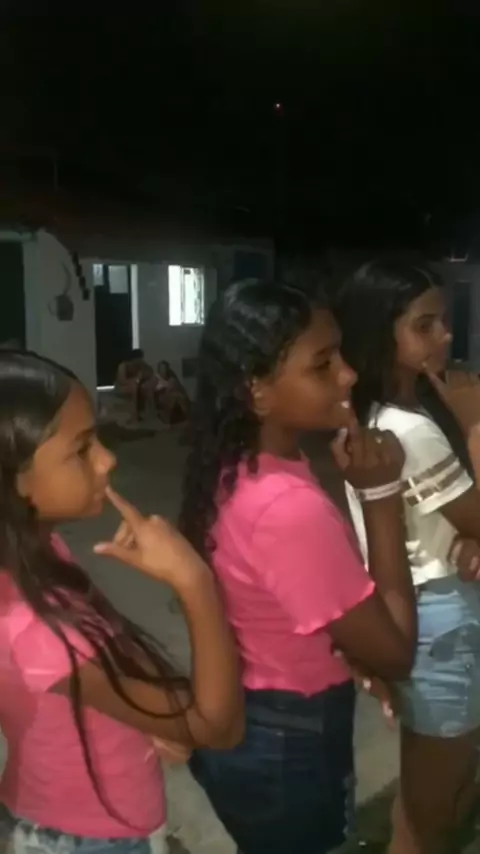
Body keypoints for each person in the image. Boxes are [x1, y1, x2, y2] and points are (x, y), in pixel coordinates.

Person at [179, 279, 418, 854]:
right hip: (288, 747)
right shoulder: (286, 509)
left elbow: (282, 598)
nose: (349, 375)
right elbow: (397, 652)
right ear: (257, 391)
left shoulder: (240, 465)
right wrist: (380, 496)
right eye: (322, 365)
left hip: (254, 719)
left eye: (341, 355)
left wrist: (347, 647)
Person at [0, 351, 243, 854]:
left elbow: (102, 657)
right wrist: (196, 583)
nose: (108, 459)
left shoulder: (35, 551)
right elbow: (218, 727)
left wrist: (142, 715)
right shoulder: (37, 630)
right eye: (82, 448)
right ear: (14, 481)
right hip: (88, 839)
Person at [333, 259, 480, 854]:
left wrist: (468, 536)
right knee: (435, 809)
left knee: (424, 795)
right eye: (424, 325)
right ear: (380, 335)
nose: (445, 335)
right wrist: (476, 426)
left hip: (427, 610)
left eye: (443, 320)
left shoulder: (388, 414)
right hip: (442, 620)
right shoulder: (410, 428)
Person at [115, 348, 155, 422]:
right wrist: (136, 379)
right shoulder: (123, 365)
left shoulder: (142, 365)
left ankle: (151, 414)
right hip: (122, 387)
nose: (139, 362)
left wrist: (147, 383)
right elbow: (122, 381)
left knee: (146, 388)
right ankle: (134, 415)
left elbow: (151, 374)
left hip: (138, 387)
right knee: (134, 387)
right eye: (138, 360)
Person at [155, 360, 190, 424]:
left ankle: (187, 417)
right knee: (176, 395)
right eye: (161, 368)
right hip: (161, 396)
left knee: (176, 395)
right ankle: (187, 417)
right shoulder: (156, 377)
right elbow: (155, 390)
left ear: (167, 369)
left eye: (164, 368)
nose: (163, 370)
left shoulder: (171, 378)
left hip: (171, 395)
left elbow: (177, 387)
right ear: (159, 369)